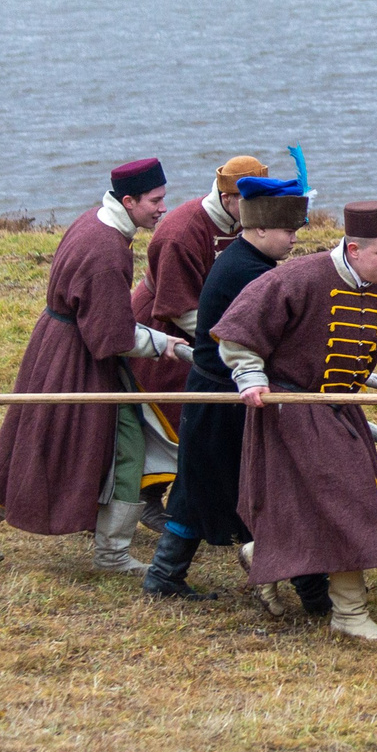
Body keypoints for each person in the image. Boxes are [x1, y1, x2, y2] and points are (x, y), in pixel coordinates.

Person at [211, 200, 377, 641]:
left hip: (341, 412)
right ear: (353, 249)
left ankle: (265, 556)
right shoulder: (297, 278)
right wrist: (251, 376)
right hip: (290, 410)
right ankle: (349, 614)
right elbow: (239, 334)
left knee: (320, 506)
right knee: (350, 503)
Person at [0, 158, 192, 574]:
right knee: (94, 445)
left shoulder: (95, 221)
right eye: (155, 201)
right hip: (77, 356)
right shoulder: (105, 251)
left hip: (62, 345)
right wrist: (163, 343)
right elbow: (111, 335)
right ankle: (109, 552)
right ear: (129, 200)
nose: (162, 209)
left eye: (163, 199)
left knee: (57, 438)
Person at [139, 174, 305, 603]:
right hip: (219, 398)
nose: (293, 241)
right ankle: (307, 586)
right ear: (261, 228)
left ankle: (168, 574)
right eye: (288, 231)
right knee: (212, 488)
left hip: (224, 394)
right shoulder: (246, 272)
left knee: (204, 488)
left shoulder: (251, 263)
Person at [126, 153, 270, 531]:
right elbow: (180, 308)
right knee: (177, 418)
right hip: (169, 327)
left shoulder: (245, 223)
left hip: (220, 330)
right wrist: (230, 342)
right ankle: (152, 498)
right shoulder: (181, 233)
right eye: (251, 204)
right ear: (228, 198)